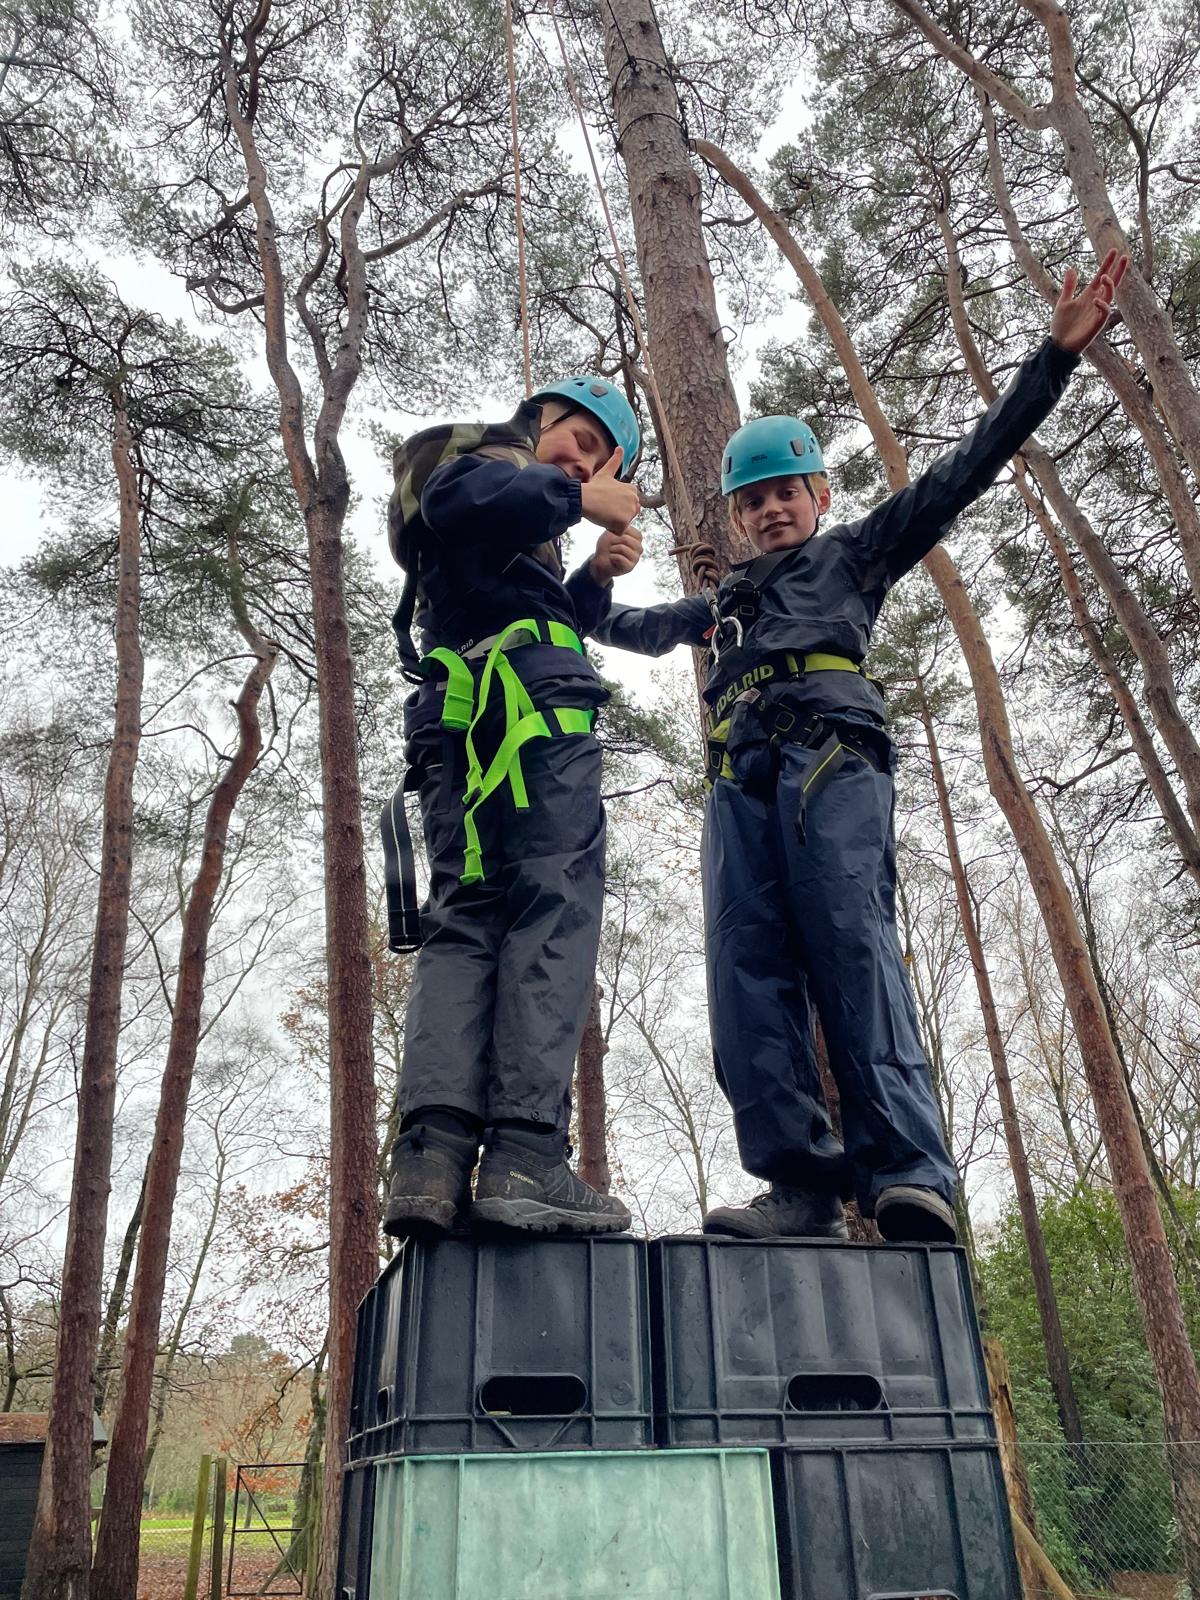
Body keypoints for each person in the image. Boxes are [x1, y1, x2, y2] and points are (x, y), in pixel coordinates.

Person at [589, 251, 1128, 1243]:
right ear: (736, 518)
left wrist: (1052, 360)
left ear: (821, 495)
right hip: (738, 776)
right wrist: (581, 582)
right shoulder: (727, 600)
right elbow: (634, 626)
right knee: (744, 971)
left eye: (787, 491)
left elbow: (964, 472)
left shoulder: (856, 554)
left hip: (830, 757)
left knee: (850, 942)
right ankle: (801, 1184)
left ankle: (907, 1172)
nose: (771, 508)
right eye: (754, 501)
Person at [382, 377, 645, 1239]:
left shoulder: (505, 508)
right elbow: (461, 499)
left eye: (599, 460)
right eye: (579, 439)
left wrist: (591, 580)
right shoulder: (491, 462)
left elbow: (533, 612)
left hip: (461, 719)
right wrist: (577, 499)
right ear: (540, 418)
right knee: (551, 909)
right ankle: (526, 1154)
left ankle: (432, 1159)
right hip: (533, 717)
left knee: (466, 916)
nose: (583, 461)